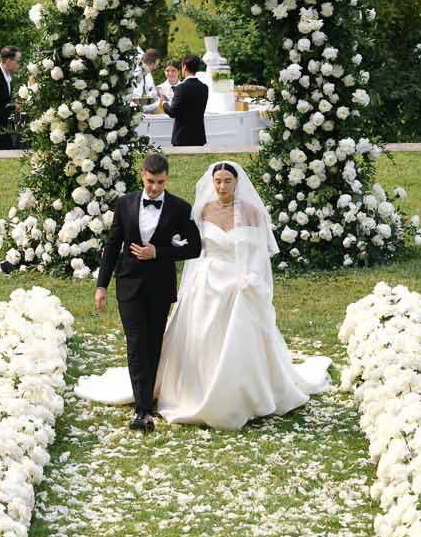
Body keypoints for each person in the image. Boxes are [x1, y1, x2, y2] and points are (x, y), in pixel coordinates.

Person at [77, 162, 328, 430]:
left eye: (227, 181)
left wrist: (250, 278)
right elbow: (184, 248)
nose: (222, 186)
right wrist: (101, 285)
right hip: (201, 284)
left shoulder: (245, 212)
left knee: (226, 341)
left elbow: (251, 252)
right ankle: (147, 406)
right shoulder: (200, 210)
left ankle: (240, 395)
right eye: (217, 181)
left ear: (236, 182)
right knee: (161, 341)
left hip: (237, 285)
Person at [84, 152, 203, 430]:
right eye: (150, 182)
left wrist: (158, 252)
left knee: (153, 343)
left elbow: (194, 248)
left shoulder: (179, 208)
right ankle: (143, 410)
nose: (154, 187)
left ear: (167, 179)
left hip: (160, 287)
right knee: (136, 343)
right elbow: (112, 246)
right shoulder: (125, 204)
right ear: (142, 176)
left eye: (160, 182)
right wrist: (101, 285)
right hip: (129, 285)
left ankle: (148, 397)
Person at [168, 53, 209, 148]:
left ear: (184, 67)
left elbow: (172, 112)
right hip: (199, 136)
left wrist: (164, 103)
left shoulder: (180, 88)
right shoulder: (204, 87)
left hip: (181, 137)